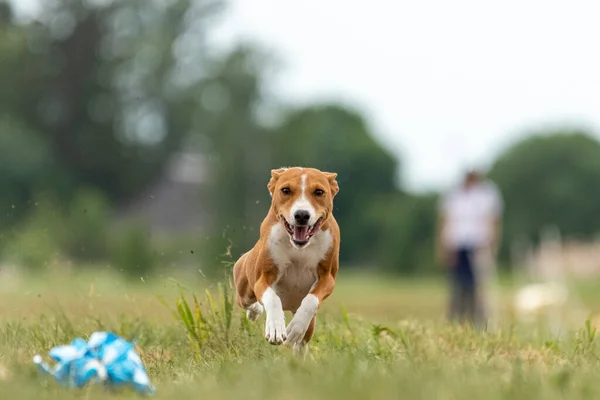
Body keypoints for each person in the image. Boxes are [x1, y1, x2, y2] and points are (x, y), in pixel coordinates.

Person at [436, 169, 503, 328]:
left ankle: (479, 322)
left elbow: (493, 221)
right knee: (457, 286)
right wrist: (443, 246)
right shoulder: (453, 195)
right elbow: (445, 221)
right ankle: (456, 321)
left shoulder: (487, 194)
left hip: (479, 245)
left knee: (479, 287)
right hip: (457, 245)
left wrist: (492, 245)